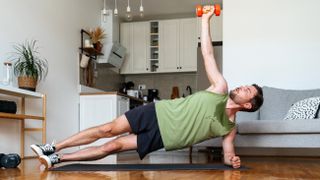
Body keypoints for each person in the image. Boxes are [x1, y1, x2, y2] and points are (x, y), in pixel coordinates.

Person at [31, 5, 263, 169]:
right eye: (245, 86)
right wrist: (205, 20)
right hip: (157, 112)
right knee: (107, 129)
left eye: (247, 91)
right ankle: (53, 147)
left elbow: (228, 154)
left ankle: (59, 159)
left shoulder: (229, 128)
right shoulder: (221, 88)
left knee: (113, 146)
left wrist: (232, 161)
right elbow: (208, 53)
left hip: (164, 137)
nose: (242, 87)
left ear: (248, 105)